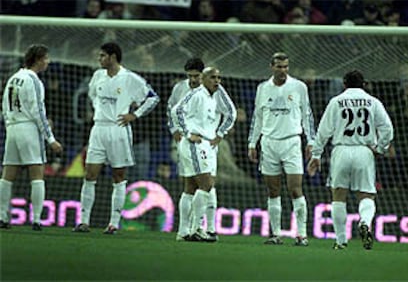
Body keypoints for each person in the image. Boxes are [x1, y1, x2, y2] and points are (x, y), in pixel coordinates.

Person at [72, 42, 160, 234]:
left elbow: (153, 98)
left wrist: (134, 115)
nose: (99, 59)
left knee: (119, 177)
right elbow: (92, 94)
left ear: (113, 57)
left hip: (118, 129)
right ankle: (83, 221)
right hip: (98, 129)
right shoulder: (98, 76)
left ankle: (113, 223)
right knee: (89, 174)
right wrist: (98, 109)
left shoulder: (130, 78)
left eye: (102, 56)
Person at [307, 70, 394, 250]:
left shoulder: (336, 101)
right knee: (366, 195)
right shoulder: (374, 102)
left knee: (338, 196)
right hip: (364, 151)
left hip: (341, 150)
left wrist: (316, 155)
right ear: (364, 84)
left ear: (344, 84)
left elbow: (323, 131)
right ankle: (364, 222)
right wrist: (380, 148)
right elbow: (387, 128)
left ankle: (340, 241)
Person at [248, 52, 315, 246]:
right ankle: (276, 234)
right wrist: (253, 143)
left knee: (295, 189)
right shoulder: (263, 88)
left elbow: (307, 115)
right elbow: (257, 117)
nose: (283, 70)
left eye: (286, 66)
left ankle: (301, 234)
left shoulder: (299, 87)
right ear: (272, 67)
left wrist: (311, 140)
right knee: (273, 190)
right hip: (268, 143)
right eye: (279, 66)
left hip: (292, 142)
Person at [168, 60, 236, 242]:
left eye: (219, 77)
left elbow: (231, 112)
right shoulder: (197, 94)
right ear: (204, 79)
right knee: (206, 185)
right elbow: (176, 111)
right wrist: (187, 132)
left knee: (190, 187)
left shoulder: (212, 97)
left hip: (202, 143)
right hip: (194, 144)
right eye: (213, 77)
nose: (217, 81)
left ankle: (183, 232)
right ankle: (196, 228)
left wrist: (220, 133)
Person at [0, 44, 63, 230]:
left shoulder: (13, 78)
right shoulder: (33, 79)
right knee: (37, 173)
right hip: (28, 128)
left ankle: (2, 217)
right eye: (46, 58)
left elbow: (4, 106)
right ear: (38, 59)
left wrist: (10, 126)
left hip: (12, 128)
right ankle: (36, 219)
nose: (48, 62)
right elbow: (38, 111)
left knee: (7, 175)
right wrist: (51, 139)